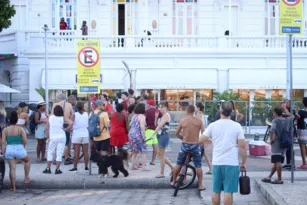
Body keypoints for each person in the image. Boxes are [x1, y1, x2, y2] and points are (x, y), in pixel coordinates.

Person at [199, 102, 247, 205]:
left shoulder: (213, 125)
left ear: (220, 112)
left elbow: (201, 139)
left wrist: (210, 138)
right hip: (231, 163)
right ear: (231, 112)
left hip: (217, 162)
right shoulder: (237, 126)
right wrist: (244, 162)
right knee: (228, 191)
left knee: (216, 190)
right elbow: (242, 146)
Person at [172, 105, 204, 190]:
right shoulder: (199, 121)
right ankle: (200, 185)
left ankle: (173, 181)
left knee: (179, 164)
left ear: (187, 111)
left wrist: (183, 138)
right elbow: (204, 134)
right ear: (194, 112)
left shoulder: (183, 121)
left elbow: (177, 133)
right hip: (195, 145)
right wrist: (201, 142)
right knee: (198, 165)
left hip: (185, 145)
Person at [262, 108, 294, 184]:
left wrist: (271, 140)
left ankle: (279, 178)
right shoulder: (287, 119)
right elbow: (293, 116)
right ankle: (269, 177)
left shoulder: (275, 120)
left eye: (273, 113)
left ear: (276, 113)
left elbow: (272, 130)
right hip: (285, 142)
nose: (273, 114)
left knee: (277, 161)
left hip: (277, 142)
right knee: (276, 161)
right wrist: (285, 113)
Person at [2, 111, 31, 191]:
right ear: (17, 120)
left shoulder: (5, 130)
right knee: (27, 160)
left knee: (12, 169)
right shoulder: (20, 129)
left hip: (9, 149)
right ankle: (26, 177)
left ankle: (13, 187)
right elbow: (25, 140)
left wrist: (3, 152)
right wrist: (22, 147)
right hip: (19, 148)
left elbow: (3, 143)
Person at [44, 105, 72, 174]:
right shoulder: (63, 118)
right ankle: (57, 169)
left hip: (53, 137)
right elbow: (71, 123)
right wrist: (66, 129)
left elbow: (47, 128)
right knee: (59, 153)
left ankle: (48, 168)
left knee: (50, 152)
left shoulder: (50, 118)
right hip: (62, 136)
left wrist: (48, 137)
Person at [150, 102, 174, 178]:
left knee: (161, 155)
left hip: (163, 136)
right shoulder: (163, 115)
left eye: (162, 107)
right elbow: (156, 124)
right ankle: (173, 168)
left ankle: (162, 173)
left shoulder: (166, 115)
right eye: (159, 107)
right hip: (160, 135)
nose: (160, 109)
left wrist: (153, 134)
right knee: (160, 154)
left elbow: (160, 126)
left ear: (166, 107)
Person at [51, 93, 74, 165]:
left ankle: (56, 158)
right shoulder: (69, 105)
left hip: (57, 125)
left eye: (57, 97)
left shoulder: (55, 105)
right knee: (66, 142)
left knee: (56, 142)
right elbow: (72, 114)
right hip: (66, 124)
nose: (56, 99)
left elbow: (52, 115)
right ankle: (66, 158)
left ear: (60, 98)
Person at [128, 103, 149, 171]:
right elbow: (142, 127)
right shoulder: (142, 116)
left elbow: (130, 124)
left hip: (131, 134)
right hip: (138, 134)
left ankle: (132, 166)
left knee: (134, 151)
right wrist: (144, 137)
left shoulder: (134, 116)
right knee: (143, 151)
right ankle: (143, 167)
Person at [69, 102, 89, 173]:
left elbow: (71, 124)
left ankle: (75, 167)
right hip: (85, 133)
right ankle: (86, 167)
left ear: (76, 107)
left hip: (77, 134)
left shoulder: (74, 115)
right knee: (86, 152)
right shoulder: (87, 114)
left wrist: (67, 129)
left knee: (76, 152)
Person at [195, 102, 212, 175]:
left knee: (197, 153)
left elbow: (198, 126)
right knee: (204, 153)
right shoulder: (203, 115)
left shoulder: (198, 115)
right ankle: (210, 168)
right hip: (202, 136)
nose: (194, 108)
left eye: (195, 107)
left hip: (199, 136)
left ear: (198, 108)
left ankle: (195, 169)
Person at [145, 100, 161, 165]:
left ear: (149, 104)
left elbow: (144, 119)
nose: (147, 104)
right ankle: (153, 161)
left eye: (147, 103)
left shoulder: (147, 111)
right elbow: (161, 117)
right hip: (155, 129)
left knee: (144, 146)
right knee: (155, 146)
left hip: (148, 129)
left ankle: (143, 161)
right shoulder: (157, 111)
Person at [296, 97, 307, 169]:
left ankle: (304, 163)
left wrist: (296, 112)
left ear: (303, 103)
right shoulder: (303, 111)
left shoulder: (301, 112)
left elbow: (297, 117)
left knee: (302, 146)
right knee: (305, 146)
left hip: (301, 130)